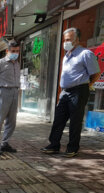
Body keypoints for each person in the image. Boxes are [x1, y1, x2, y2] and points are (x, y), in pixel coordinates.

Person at [41, 28, 100, 158]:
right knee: (58, 119)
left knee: (75, 121)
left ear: (77, 40)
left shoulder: (85, 54)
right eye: (64, 40)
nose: (65, 42)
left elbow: (96, 73)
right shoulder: (66, 56)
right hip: (65, 92)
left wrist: (86, 85)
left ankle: (72, 148)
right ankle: (54, 145)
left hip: (79, 91)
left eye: (68, 40)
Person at [0, 40, 21, 156]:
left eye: (17, 51)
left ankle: (5, 143)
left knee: (12, 121)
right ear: (7, 51)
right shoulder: (0, 63)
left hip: (14, 92)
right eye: (13, 51)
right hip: (2, 92)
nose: (15, 53)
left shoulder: (17, 64)